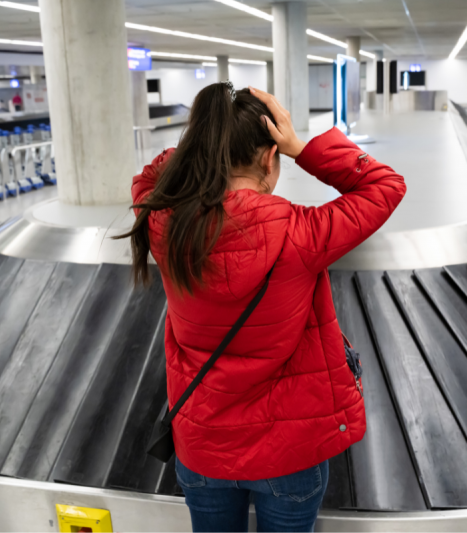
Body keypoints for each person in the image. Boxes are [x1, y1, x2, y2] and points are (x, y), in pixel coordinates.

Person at [122, 82, 405, 532]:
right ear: (269, 158)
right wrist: (304, 147)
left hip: (203, 448)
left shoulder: (164, 226)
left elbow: (147, 178)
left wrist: (201, 138)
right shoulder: (302, 233)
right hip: (288, 454)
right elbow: (385, 185)